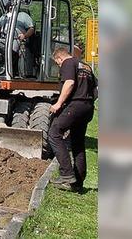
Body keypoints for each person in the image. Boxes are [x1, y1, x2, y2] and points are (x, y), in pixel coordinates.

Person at [48, 47, 96, 192]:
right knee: (77, 142)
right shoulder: (86, 66)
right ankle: (78, 181)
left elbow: (69, 83)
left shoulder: (68, 63)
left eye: (57, 63)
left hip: (75, 106)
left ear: (59, 58)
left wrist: (58, 103)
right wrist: (88, 101)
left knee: (54, 133)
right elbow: (97, 88)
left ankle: (67, 175)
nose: (59, 66)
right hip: (87, 108)